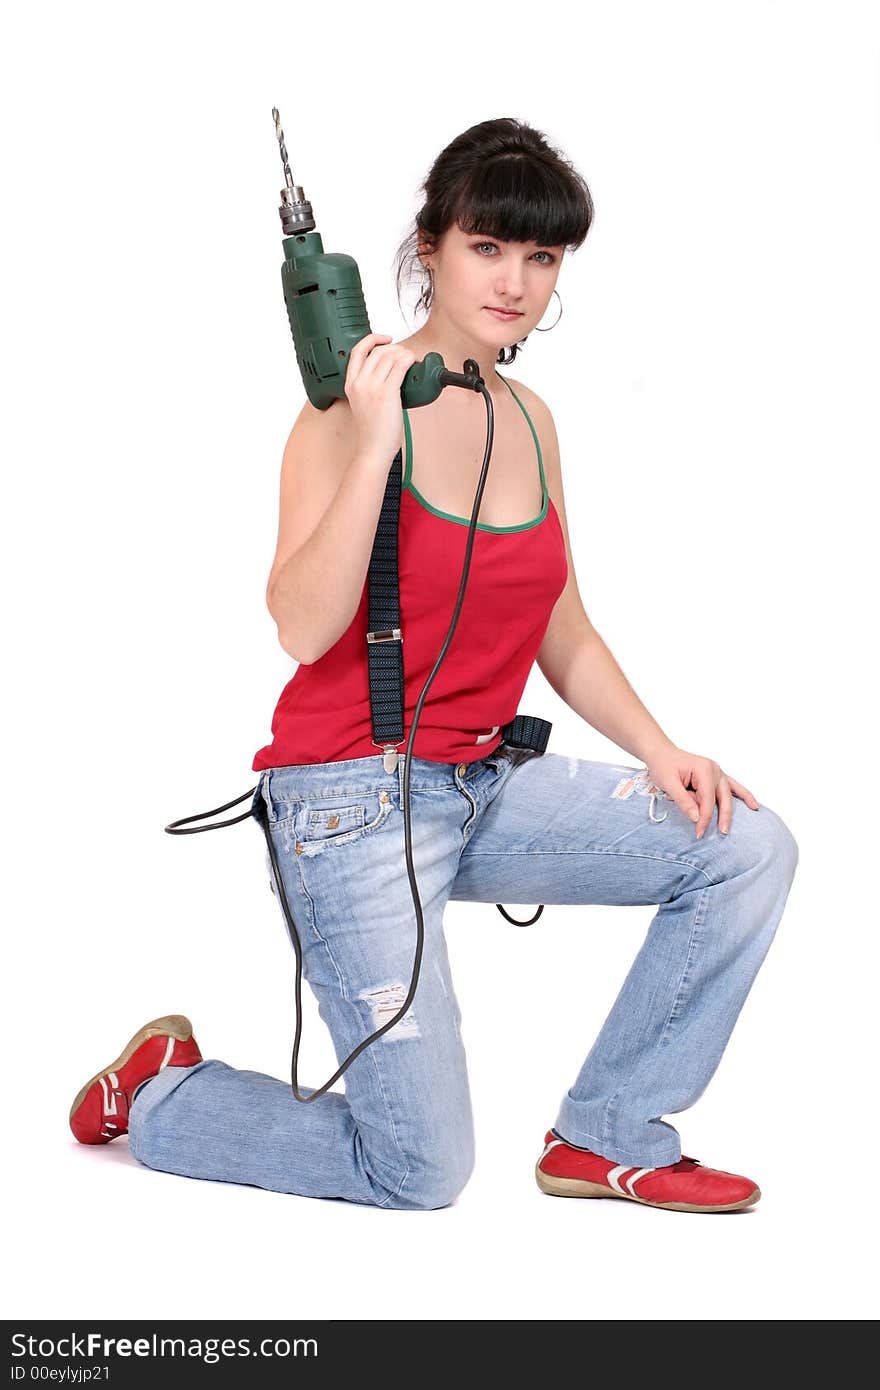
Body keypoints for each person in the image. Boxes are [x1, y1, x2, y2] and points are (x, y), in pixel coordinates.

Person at [70, 117, 798, 1214]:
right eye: (488, 247)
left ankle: (604, 1134)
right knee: (416, 1168)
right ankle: (165, 1092)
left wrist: (662, 750)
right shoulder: (342, 411)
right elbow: (299, 627)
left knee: (743, 846)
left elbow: (565, 628)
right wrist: (371, 442)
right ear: (430, 247)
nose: (515, 281)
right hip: (347, 802)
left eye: (540, 258)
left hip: (482, 784)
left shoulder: (531, 420)